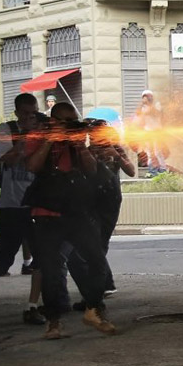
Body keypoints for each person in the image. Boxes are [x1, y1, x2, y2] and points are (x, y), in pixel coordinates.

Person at [25, 102, 116, 339]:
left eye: (72, 120)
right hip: (46, 214)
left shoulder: (76, 141)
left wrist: (79, 146)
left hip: (76, 211)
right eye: (64, 121)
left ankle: (93, 309)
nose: (69, 125)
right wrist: (51, 140)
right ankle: (53, 323)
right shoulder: (39, 136)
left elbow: (92, 171)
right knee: (51, 270)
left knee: (97, 260)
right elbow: (33, 166)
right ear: (54, 121)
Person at [0, 93, 46, 325]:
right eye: (26, 113)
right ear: (18, 113)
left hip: (37, 203)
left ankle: (32, 306)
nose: (30, 116)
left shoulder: (42, 130)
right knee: (4, 256)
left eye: (34, 112)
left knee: (40, 258)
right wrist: (26, 139)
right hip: (13, 203)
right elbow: (7, 160)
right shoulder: (7, 129)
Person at [68, 119, 135, 310]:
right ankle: (102, 287)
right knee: (92, 246)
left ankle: (96, 292)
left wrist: (117, 156)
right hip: (90, 201)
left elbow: (131, 171)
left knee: (99, 244)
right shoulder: (88, 150)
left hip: (109, 202)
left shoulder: (116, 149)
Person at [137, 90, 166, 177]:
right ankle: (152, 171)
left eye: (147, 96)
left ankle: (162, 171)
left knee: (158, 152)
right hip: (147, 132)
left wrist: (148, 104)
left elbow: (155, 112)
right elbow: (140, 117)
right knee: (149, 153)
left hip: (157, 132)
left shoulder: (157, 105)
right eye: (144, 97)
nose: (145, 99)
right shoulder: (143, 107)